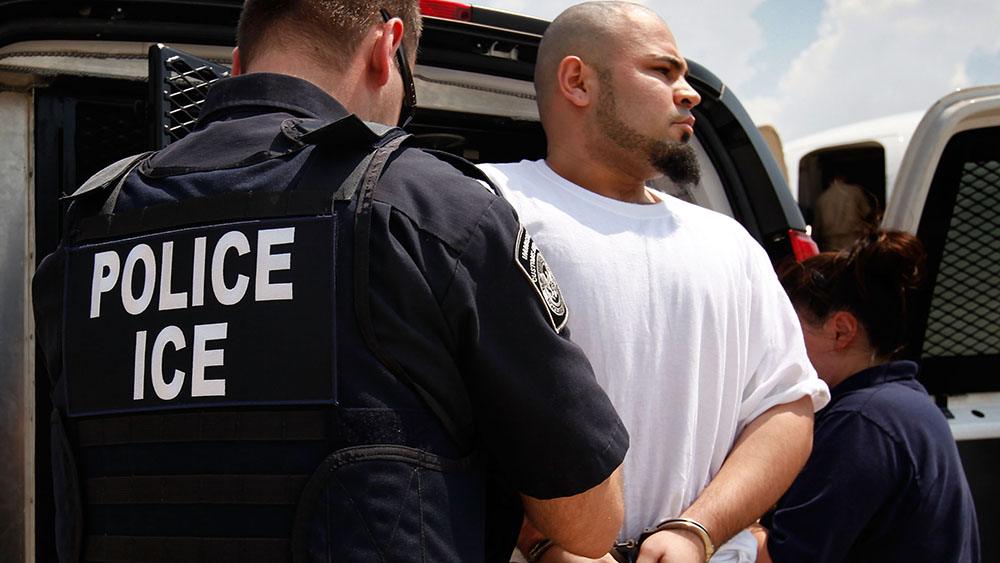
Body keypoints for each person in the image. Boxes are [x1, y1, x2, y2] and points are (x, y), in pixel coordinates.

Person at [30, 1, 629, 561]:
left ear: (237, 65)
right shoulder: (431, 207)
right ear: (386, 47)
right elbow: (588, 520)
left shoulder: (90, 222)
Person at [478, 2, 829, 562]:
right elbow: (442, 408)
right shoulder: (487, 208)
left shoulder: (731, 243)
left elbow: (786, 409)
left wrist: (695, 531)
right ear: (578, 81)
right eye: (662, 71)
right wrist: (544, 542)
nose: (688, 94)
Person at [754, 230, 980, 563]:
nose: (778, 347)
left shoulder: (861, 422)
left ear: (841, 331)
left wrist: (732, 515)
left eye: (789, 331)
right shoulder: (901, 406)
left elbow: (783, 558)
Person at [813, 176, 874, 251]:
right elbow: (867, 213)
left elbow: (817, 227)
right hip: (852, 239)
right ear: (843, 178)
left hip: (830, 242)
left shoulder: (822, 198)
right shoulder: (855, 192)